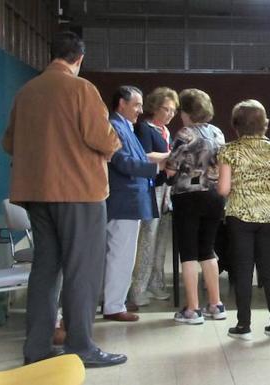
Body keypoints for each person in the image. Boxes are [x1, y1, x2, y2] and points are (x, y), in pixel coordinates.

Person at [2, 31, 127, 367]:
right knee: (82, 271)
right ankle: (81, 347)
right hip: (79, 193)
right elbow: (104, 139)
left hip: (35, 193)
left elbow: (9, 143)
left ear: (52, 55)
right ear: (79, 59)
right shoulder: (81, 89)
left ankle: (38, 349)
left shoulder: (26, 91)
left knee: (45, 269)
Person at [218, 99, 270, 340]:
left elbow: (224, 189)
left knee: (244, 269)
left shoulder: (229, 151)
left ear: (236, 125)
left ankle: (243, 325)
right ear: (264, 124)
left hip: (241, 216)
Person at [165, 88, 227, 324]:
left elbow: (171, 167)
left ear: (187, 111)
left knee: (188, 253)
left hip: (188, 196)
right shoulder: (217, 132)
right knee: (207, 249)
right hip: (214, 195)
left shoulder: (185, 134)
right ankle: (216, 304)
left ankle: (192, 309)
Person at [102, 86, 160, 322]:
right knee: (121, 255)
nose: (140, 110)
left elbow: (135, 158)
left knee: (119, 254)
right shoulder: (114, 126)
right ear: (121, 104)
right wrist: (156, 166)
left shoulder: (126, 126)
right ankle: (114, 305)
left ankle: (114, 300)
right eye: (136, 104)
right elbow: (122, 162)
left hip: (130, 199)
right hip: (123, 200)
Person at [129, 87, 178, 307]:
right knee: (147, 239)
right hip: (151, 188)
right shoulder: (144, 129)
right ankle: (138, 288)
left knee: (161, 239)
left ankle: (156, 283)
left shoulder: (166, 131)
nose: (169, 114)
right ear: (154, 108)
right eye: (165, 109)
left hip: (168, 189)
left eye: (173, 110)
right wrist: (173, 156)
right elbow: (145, 156)